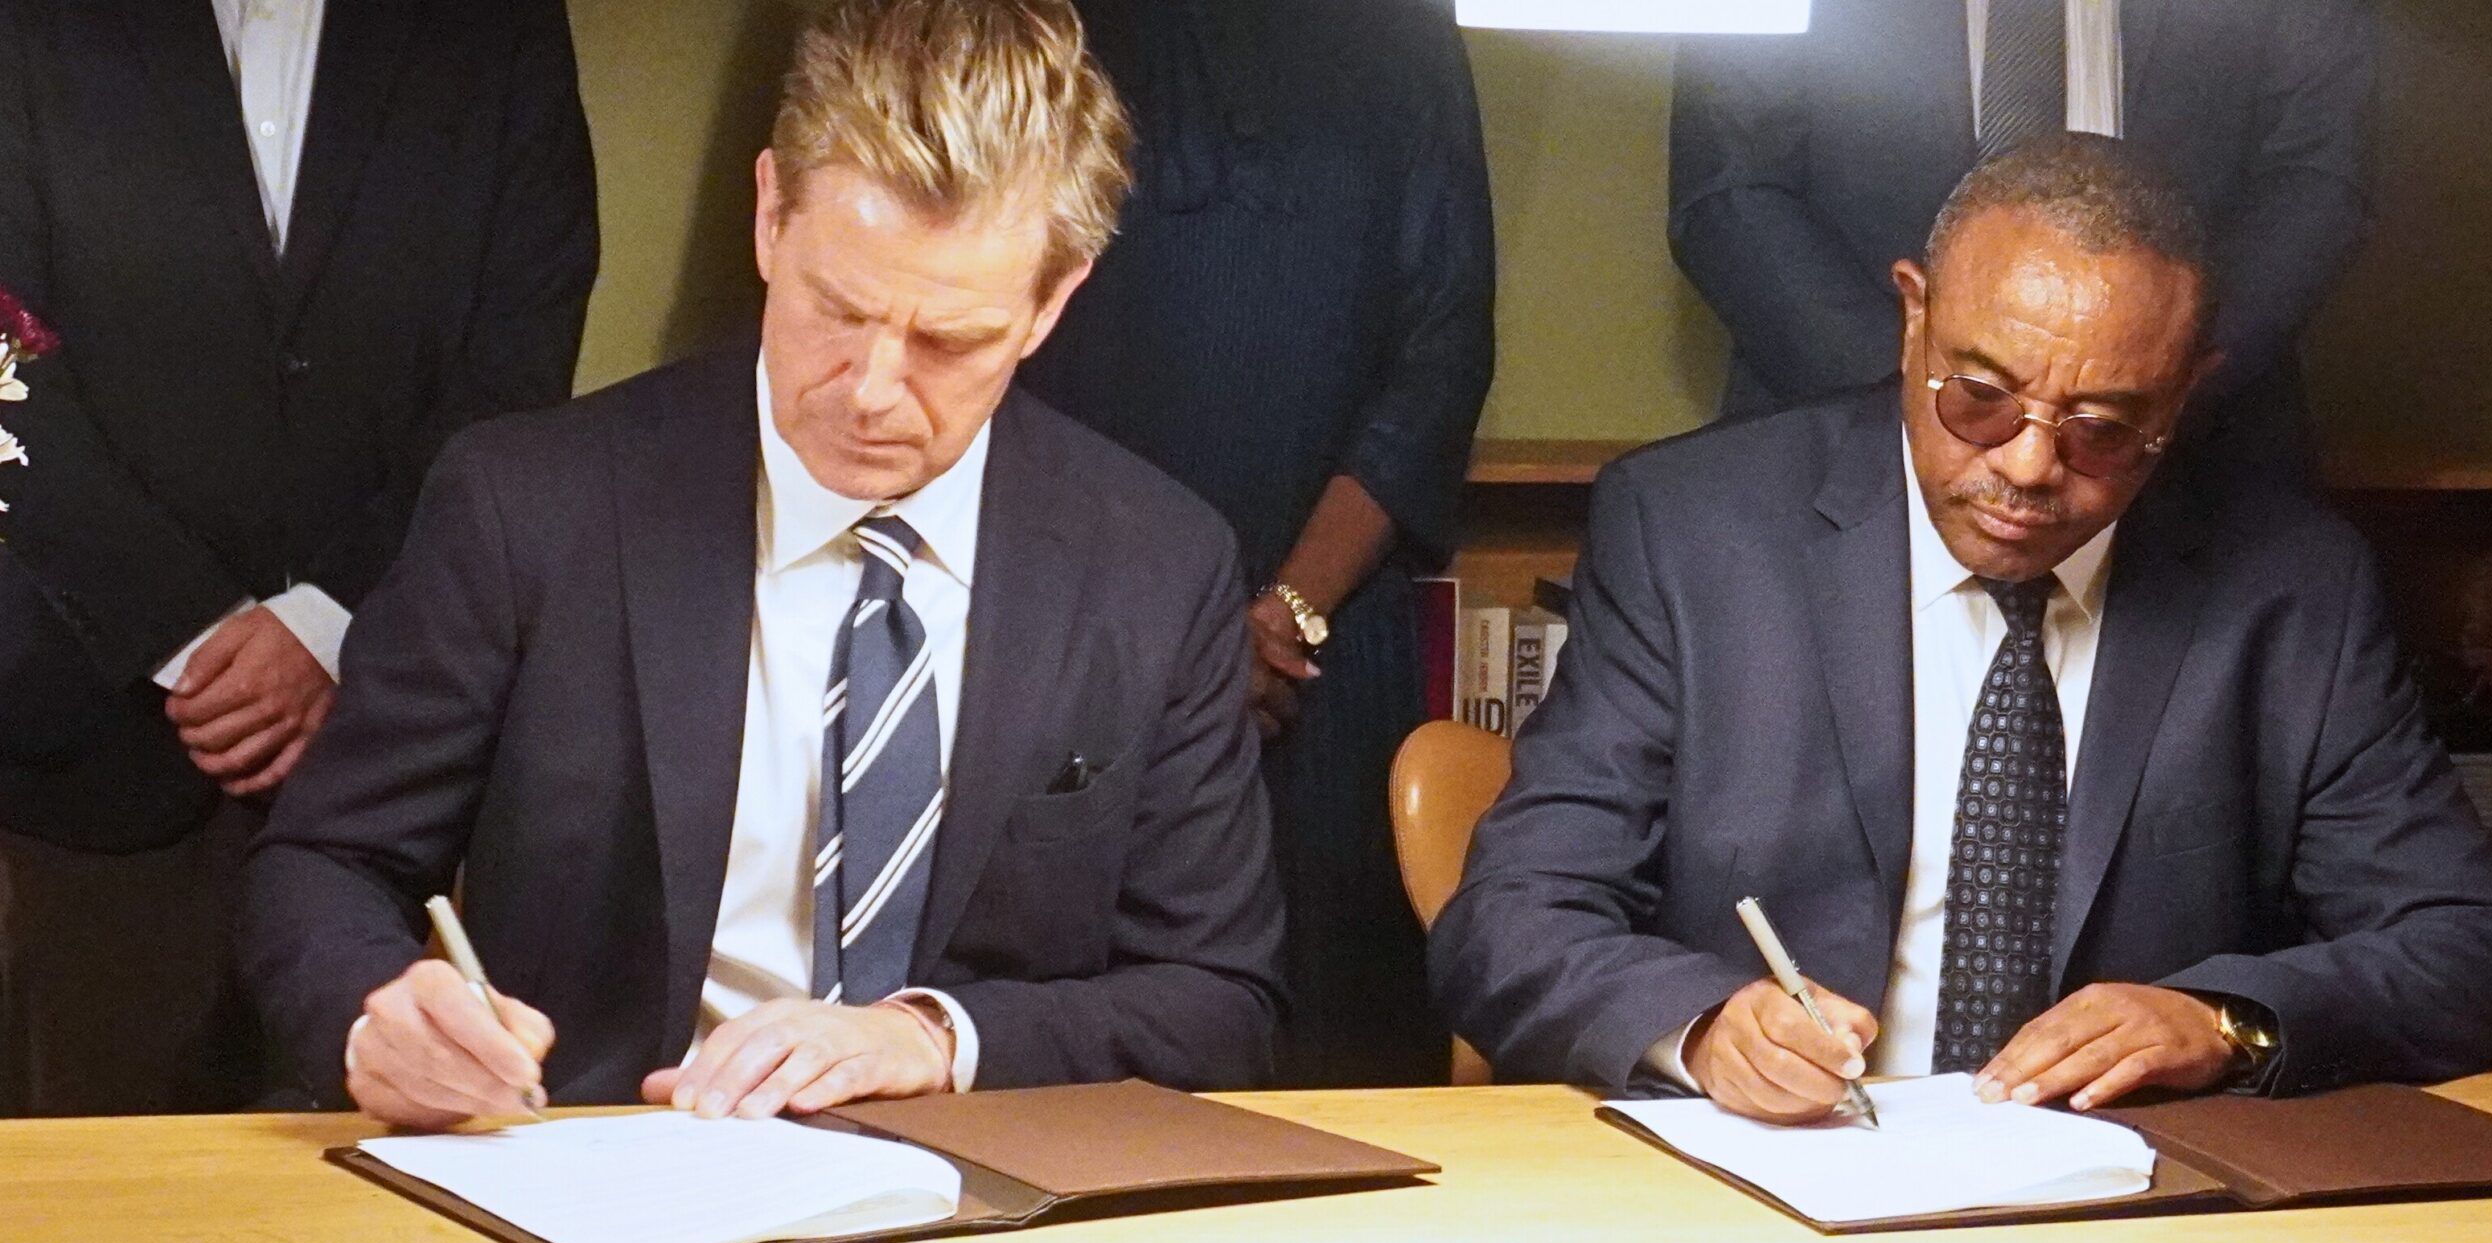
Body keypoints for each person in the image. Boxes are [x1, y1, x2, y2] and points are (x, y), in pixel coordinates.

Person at [237, 0, 1284, 1131]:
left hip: (979, 1210)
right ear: (769, 217)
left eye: (949, 341)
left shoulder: (1156, 563)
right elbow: (323, 865)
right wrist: (373, 1016)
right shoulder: (527, 507)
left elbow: (1218, 1000)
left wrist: (930, 1036)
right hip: (595, 1171)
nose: (874, 386)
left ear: (1051, 302)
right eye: (837, 308)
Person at [1431, 135, 2492, 1122]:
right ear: (1914, 316)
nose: (2027, 466)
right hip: (1774, 1187)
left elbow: (2486, 954)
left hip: (2130, 1206)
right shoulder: (1695, 534)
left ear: (2183, 397)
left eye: (2103, 428)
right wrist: (1699, 1028)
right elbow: (1510, 921)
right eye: (1979, 397)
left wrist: (2224, 1022)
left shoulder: (2291, 590)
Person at [0, 0, 598, 1116]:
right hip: (88, 743)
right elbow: (2, 360)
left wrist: (331, 621)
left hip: (394, 747)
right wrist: (191, 632)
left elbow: (519, 353)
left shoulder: (499, 25)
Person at [1015, 0, 1494, 1087]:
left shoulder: (1402, 29)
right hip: (1069, 638)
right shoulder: (1032, 21)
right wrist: (1168, 640)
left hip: (1323, 650)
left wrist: (1287, 611)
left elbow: (1444, 348)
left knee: (1345, 1064)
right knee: (1079, 1062)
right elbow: (983, 329)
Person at [1668, 0, 2374, 482]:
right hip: (1843, 451)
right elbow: (1730, 190)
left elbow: (2319, 177)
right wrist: (1943, 407)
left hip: (2191, 469)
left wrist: (2132, 406)